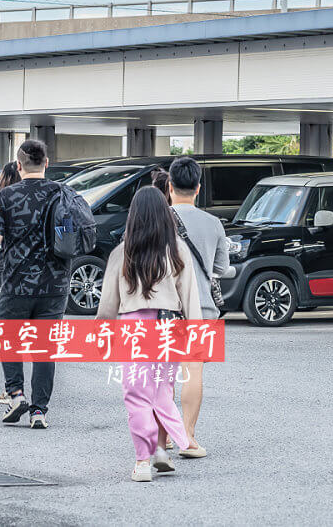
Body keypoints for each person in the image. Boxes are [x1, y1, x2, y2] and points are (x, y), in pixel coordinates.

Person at [97, 186, 201, 482]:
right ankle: (161, 449)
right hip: (170, 325)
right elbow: (189, 295)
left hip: (134, 327)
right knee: (161, 390)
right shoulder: (178, 249)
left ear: (133, 216)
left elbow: (108, 302)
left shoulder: (122, 251)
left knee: (137, 395)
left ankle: (143, 461)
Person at [0, 140, 71, 429]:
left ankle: (16, 394)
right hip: (55, 285)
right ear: (47, 163)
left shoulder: (6, 196)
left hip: (15, 283)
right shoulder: (62, 194)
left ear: (18, 166)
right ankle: (40, 411)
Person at [167, 156, 228, 458]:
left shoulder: (157, 219)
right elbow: (221, 267)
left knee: (162, 373)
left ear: (169, 186)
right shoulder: (213, 223)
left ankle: (163, 435)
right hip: (201, 310)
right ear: (198, 188)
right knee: (193, 371)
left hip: (162, 308)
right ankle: (188, 436)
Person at [0, 161, 22, 407]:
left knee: (8, 332)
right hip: (39, 275)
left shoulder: (0, 198)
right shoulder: (35, 196)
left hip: (6, 269)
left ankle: (12, 390)